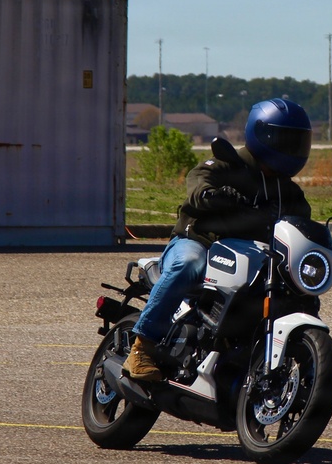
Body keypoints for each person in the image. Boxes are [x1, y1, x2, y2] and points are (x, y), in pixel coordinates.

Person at [123, 98, 314, 382]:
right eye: (283, 139)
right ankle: (142, 347)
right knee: (189, 263)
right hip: (200, 242)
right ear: (260, 134)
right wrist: (214, 195)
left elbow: (303, 227)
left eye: (296, 141)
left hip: (249, 256)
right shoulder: (224, 165)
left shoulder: (290, 193)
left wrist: (327, 243)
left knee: (295, 288)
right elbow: (198, 186)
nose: (290, 148)